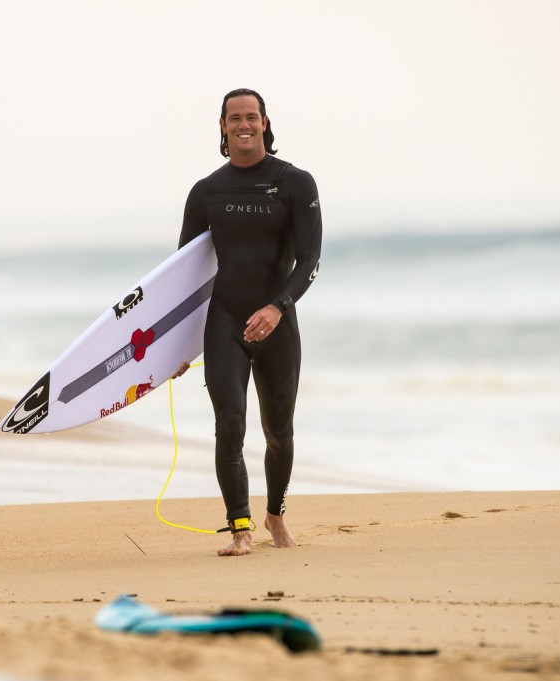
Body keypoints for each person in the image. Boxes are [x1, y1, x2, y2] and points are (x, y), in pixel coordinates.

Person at [174, 88, 322, 556]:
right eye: (234, 117)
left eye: (251, 117)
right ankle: (240, 529)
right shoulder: (206, 192)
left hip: (278, 323)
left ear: (264, 122)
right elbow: (184, 274)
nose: (244, 124)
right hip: (225, 322)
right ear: (222, 126)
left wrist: (277, 307)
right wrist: (177, 347)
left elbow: (311, 259)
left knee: (279, 431)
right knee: (230, 426)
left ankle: (275, 514)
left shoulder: (295, 183)